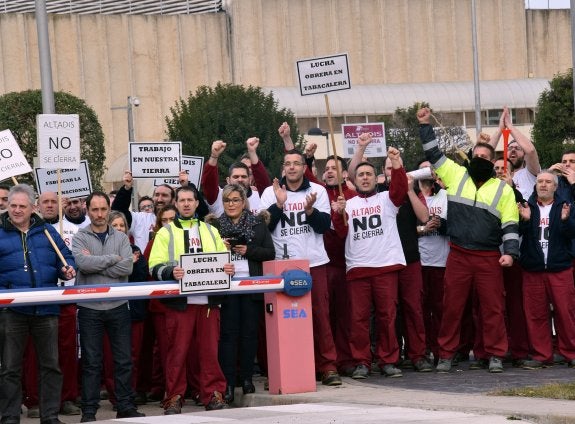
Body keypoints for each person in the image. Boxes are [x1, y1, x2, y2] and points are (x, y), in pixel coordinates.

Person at [417, 107, 519, 374]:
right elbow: (433, 154)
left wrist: (510, 252)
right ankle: (446, 355)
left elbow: (510, 224)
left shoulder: (503, 190)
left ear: (493, 160)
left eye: (486, 157)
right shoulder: (455, 173)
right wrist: (425, 124)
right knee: (452, 308)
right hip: (459, 254)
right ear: (472, 156)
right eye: (478, 155)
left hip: (488, 257)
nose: (481, 159)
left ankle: (496, 354)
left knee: (493, 308)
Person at [259, 148, 342, 386]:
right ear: (283, 167)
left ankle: (327, 367)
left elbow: (324, 226)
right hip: (280, 266)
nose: (292, 167)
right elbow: (264, 228)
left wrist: (310, 211)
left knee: (320, 317)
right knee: (281, 321)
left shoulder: (318, 191)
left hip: (313, 262)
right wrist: (278, 204)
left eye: (297, 163)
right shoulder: (270, 193)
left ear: (304, 167)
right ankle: (281, 369)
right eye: (288, 163)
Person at [148, 185, 233, 414]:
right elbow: (154, 265)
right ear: (175, 203)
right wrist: (169, 272)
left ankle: (213, 395)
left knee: (209, 353)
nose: (186, 204)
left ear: (197, 203)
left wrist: (228, 267)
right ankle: (174, 397)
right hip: (180, 303)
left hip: (208, 302)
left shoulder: (209, 229)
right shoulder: (165, 232)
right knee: (177, 353)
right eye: (182, 200)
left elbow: (223, 260)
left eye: (190, 200)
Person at [0, 184, 76, 424]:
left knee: (50, 366)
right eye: (13, 205)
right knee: (10, 368)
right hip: (12, 310)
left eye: (23, 206)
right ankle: (10, 417)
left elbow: (66, 257)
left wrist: (66, 269)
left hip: (46, 308)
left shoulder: (46, 232)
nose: (17, 210)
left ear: (33, 208)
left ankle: (50, 416)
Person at [332, 145, 408, 379]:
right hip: (358, 268)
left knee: (387, 316)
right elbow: (341, 233)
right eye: (361, 175)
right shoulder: (348, 203)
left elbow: (400, 189)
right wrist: (338, 213)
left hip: (385, 266)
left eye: (369, 174)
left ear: (377, 179)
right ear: (354, 180)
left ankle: (388, 360)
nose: (365, 178)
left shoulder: (387, 199)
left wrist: (396, 163)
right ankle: (362, 362)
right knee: (359, 319)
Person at [72, 191, 144, 422]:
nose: (100, 214)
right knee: (92, 362)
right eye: (95, 209)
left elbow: (127, 269)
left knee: (123, 360)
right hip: (89, 308)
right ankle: (89, 411)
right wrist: (114, 259)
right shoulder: (80, 237)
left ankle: (125, 405)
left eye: (104, 209)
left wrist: (96, 264)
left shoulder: (122, 238)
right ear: (87, 209)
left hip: (119, 306)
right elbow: (82, 263)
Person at [206, 183, 275, 404]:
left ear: (244, 202)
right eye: (227, 200)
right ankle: (227, 382)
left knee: (249, 334)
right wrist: (221, 250)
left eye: (236, 200)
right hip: (226, 289)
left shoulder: (257, 223)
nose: (231, 204)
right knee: (228, 336)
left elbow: (270, 253)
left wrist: (249, 251)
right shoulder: (215, 227)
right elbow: (205, 259)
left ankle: (246, 379)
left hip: (251, 287)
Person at [21, 192, 82, 418]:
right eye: (45, 202)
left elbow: (66, 258)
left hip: (63, 298)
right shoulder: (27, 231)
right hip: (36, 299)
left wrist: (67, 268)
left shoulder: (60, 230)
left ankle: (66, 397)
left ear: (60, 205)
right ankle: (35, 399)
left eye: (53, 202)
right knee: (35, 352)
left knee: (65, 351)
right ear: (37, 205)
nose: (49, 206)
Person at [518, 170, 575, 369]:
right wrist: (524, 221)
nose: (543, 185)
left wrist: (566, 220)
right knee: (535, 314)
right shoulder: (528, 206)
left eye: (548, 182)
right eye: (540, 181)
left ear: (555, 187)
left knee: (566, 313)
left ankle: (570, 353)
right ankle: (542, 355)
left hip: (559, 268)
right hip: (533, 269)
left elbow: (572, 233)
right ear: (535, 186)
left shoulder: (565, 206)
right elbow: (518, 233)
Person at [201, 137, 271, 217]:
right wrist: (214, 156)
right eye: (236, 177)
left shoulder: (259, 196)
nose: (240, 179)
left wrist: (252, 152)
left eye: (244, 176)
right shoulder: (218, 197)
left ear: (249, 179)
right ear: (228, 180)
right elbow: (208, 182)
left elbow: (264, 181)